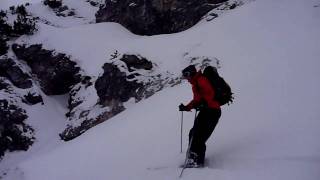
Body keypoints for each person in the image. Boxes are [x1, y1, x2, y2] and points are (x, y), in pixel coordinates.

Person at [179, 65, 221, 168]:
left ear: (190, 74)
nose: (186, 80)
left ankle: (197, 161)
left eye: (186, 77)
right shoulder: (195, 84)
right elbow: (197, 100)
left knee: (199, 136)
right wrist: (186, 107)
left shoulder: (201, 80)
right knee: (193, 133)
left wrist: (203, 103)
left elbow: (211, 94)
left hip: (212, 111)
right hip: (206, 111)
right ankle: (192, 158)